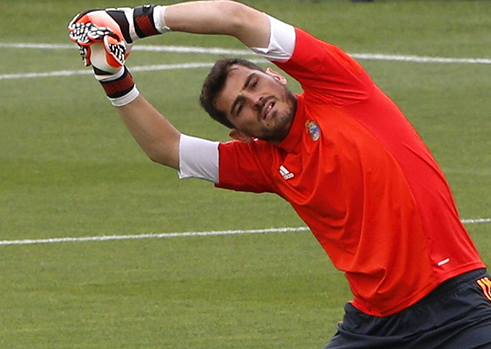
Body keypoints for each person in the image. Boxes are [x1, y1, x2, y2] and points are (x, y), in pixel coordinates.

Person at [67, 2, 491, 348]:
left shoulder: (340, 90)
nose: (255, 100)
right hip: (375, 324)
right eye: (240, 107)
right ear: (239, 132)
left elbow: (238, 19)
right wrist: (112, 76)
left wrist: (133, 22)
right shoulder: (264, 163)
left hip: (457, 301)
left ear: (274, 74)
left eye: (253, 84)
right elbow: (167, 149)